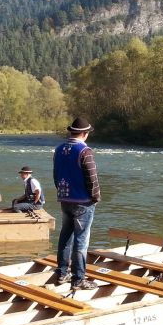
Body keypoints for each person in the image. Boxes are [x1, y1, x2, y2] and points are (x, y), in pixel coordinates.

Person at [53, 117, 101, 289]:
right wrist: (96, 197)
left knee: (65, 236)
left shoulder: (59, 149)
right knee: (81, 240)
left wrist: (62, 192)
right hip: (83, 201)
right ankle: (79, 279)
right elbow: (92, 178)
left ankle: (61, 273)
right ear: (84, 133)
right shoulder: (84, 151)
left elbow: (56, 175)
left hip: (65, 199)